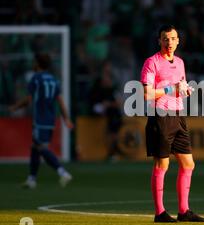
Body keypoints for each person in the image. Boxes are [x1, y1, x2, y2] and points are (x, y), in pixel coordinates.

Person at [141, 24, 204, 223]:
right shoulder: (151, 62)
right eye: (165, 39)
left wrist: (185, 90)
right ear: (159, 41)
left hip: (178, 116)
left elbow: (180, 86)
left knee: (188, 163)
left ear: (178, 40)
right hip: (160, 116)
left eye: (173, 38)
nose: (169, 42)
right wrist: (172, 89)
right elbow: (147, 94)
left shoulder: (179, 62)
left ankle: (183, 211)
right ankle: (160, 212)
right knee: (162, 164)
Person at [9, 53, 74, 189]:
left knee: (40, 147)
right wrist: (66, 119)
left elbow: (28, 100)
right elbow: (61, 103)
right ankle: (32, 179)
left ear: (37, 63)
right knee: (35, 147)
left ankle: (62, 172)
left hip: (40, 119)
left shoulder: (36, 79)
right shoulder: (53, 80)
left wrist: (14, 107)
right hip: (51, 120)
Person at [89, 60, 123, 161]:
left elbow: (119, 103)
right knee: (109, 134)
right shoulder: (98, 86)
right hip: (108, 114)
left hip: (114, 114)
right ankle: (112, 153)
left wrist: (108, 104)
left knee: (113, 135)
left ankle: (113, 153)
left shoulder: (113, 88)